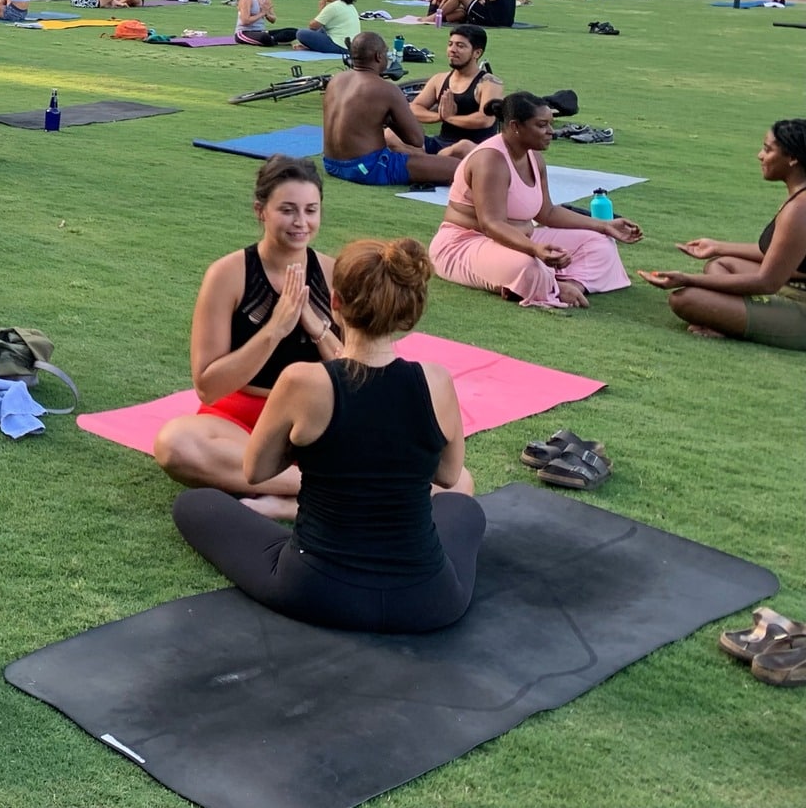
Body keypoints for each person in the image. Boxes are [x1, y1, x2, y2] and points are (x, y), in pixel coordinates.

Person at [172, 236, 482, 633]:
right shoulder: (436, 381)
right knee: (464, 508)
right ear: (408, 314)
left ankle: (288, 509)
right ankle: (294, 513)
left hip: (316, 590)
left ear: (335, 303)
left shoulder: (303, 382)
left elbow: (255, 469)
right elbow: (448, 476)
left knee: (196, 505)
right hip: (428, 600)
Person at [154, 156, 342, 513]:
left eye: (311, 210)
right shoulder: (227, 275)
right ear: (261, 211)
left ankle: (286, 501)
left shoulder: (334, 274)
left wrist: (314, 325)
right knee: (174, 444)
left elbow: (358, 376)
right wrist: (274, 329)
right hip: (238, 423)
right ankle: (321, 490)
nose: (301, 222)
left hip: (313, 422)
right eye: (287, 210)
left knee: (453, 480)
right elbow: (208, 386)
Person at [430, 91, 641, 309]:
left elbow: (547, 212)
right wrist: (534, 249)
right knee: (528, 265)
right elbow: (491, 224)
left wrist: (605, 226)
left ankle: (570, 285)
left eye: (551, 124)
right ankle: (553, 286)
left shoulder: (534, 157)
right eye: (542, 125)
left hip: (521, 238)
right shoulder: (490, 160)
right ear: (515, 126)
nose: (551, 132)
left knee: (600, 243)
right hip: (466, 244)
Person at [641, 120, 806, 348]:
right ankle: (729, 318)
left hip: (799, 306)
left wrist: (687, 278)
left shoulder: (800, 209)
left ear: (792, 158)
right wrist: (718, 246)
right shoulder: (798, 197)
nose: (760, 155)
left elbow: (766, 282)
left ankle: (727, 321)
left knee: (686, 299)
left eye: (768, 150)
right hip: (791, 286)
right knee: (722, 263)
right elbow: (780, 254)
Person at [321, 33, 458, 187]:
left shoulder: (336, 80)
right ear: (378, 56)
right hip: (367, 168)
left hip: (331, 164)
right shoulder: (386, 89)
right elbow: (416, 140)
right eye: (386, 53)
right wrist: (393, 120)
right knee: (459, 167)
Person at [403, 25, 503, 159]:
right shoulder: (439, 79)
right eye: (450, 44)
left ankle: (428, 163)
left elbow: (485, 119)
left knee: (462, 146)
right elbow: (414, 108)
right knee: (390, 135)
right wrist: (439, 117)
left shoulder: (489, 83)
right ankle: (431, 163)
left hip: (474, 149)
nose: (452, 50)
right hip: (441, 143)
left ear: (477, 53)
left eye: (460, 46)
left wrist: (450, 118)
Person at [295, 0, 361, 54]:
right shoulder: (349, 5)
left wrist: (321, 9)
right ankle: (310, 46)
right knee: (322, 29)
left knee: (301, 33)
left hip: (340, 46)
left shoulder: (333, 6)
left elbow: (313, 26)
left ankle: (312, 46)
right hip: (351, 46)